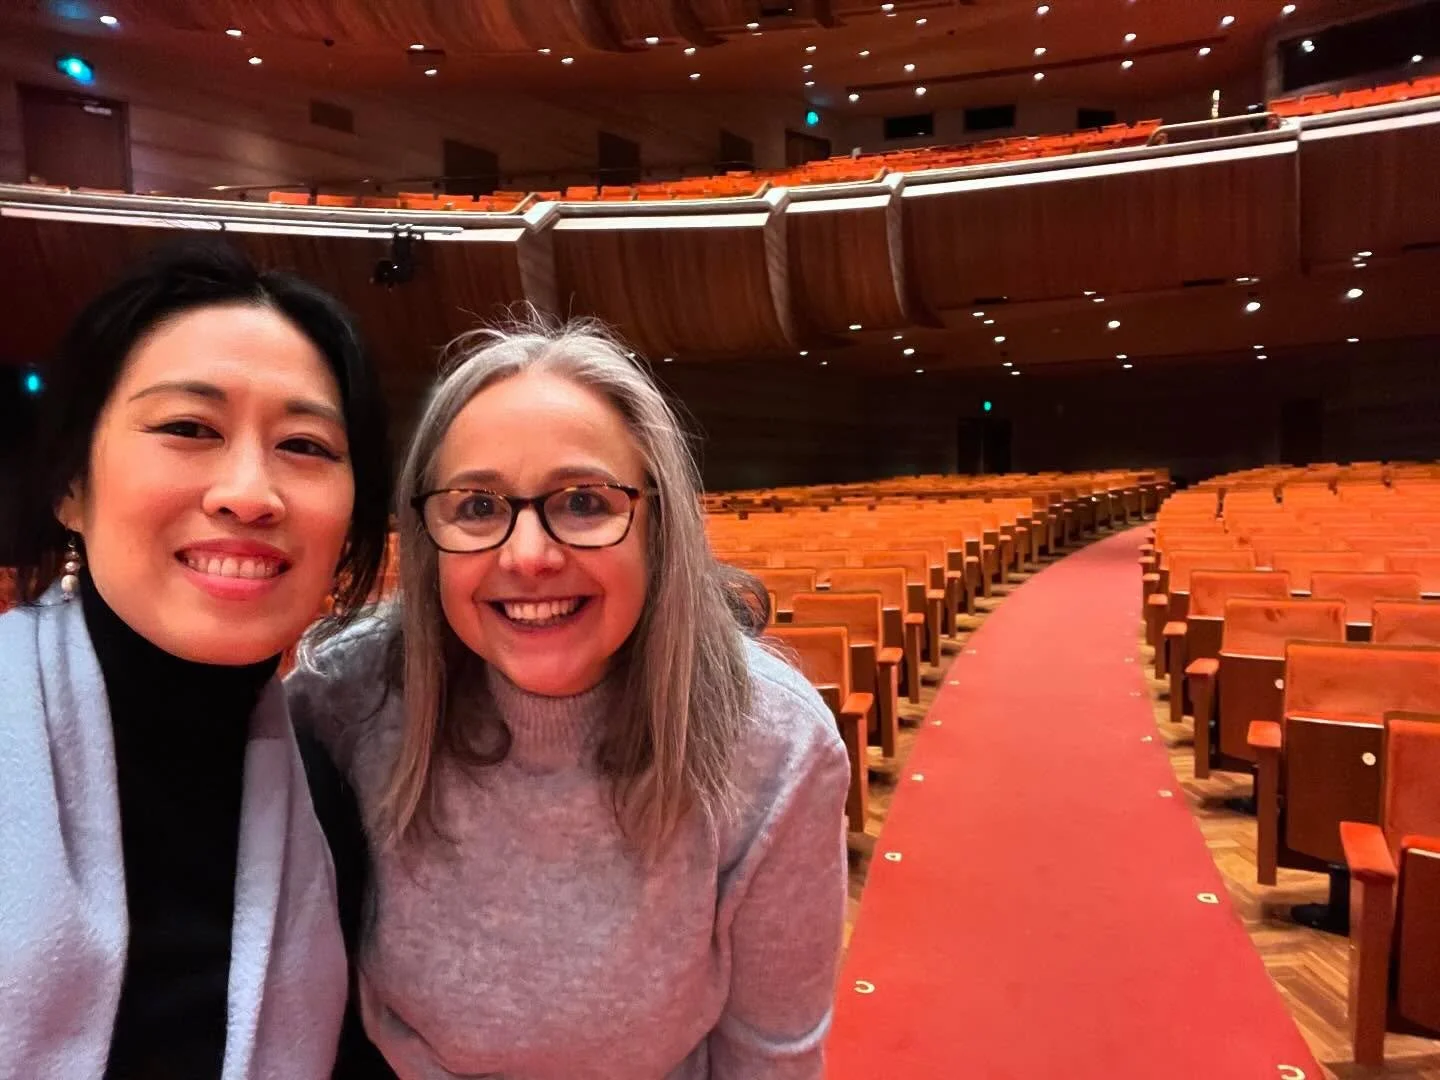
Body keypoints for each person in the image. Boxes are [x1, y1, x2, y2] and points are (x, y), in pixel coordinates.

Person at [287, 318, 852, 1078]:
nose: (528, 555)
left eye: (584, 502)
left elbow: (769, 1057)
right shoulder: (345, 699)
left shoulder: (775, 742)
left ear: (658, 524)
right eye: (478, 507)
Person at [0, 242, 394, 1079]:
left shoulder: (335, 799)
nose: (249, 492)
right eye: (188, 428)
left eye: (306, 445)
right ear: (71, 484)